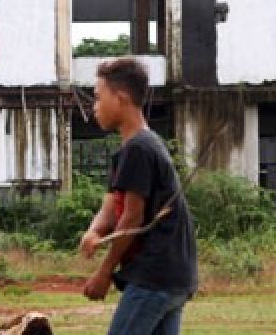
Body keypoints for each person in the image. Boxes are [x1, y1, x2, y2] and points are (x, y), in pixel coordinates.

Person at [79, 58, 198, 335]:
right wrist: (93, 230)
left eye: (98, 98)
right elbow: (111, 205)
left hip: (155, 275)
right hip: (173, 274)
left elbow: (132, 217)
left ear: (119, 98)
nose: (94, 107)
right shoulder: (133, 149)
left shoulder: (139, 150)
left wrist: (105, 272)